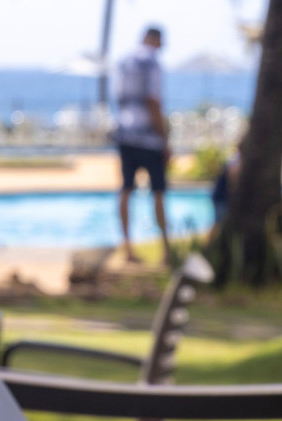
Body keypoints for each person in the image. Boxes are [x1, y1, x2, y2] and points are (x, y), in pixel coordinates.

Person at [113, 25, 170, 264]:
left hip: (125, 133)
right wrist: (164, 137)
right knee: (158, 192)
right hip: (148, 137)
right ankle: (166, 250)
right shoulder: (152, 62)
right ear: (155, 39)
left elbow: (120, 98)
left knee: (126, 190)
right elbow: (153, 101)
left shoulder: (124, 61)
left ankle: (127, 248)